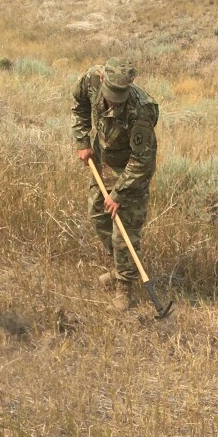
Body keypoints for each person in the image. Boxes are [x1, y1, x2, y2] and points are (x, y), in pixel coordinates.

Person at [71, 59, 159, 311]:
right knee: (98, 216)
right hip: (102, 160)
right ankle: (122, 266)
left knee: (124, 234)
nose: (114, 101)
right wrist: (82, 140)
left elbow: (143, 161)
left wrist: (119, 194)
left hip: (131, 172)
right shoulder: (90, 79)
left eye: (120, 96)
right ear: (102, 80)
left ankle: (124, 289)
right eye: (111, 94)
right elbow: (78, 106)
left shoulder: (141, 111)